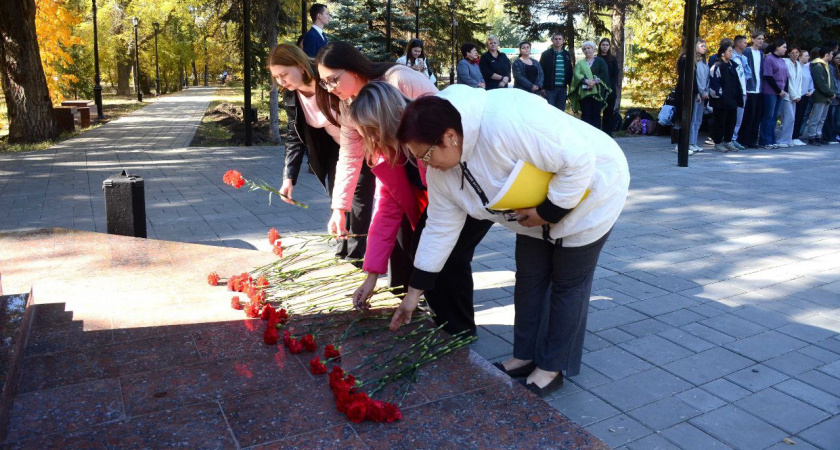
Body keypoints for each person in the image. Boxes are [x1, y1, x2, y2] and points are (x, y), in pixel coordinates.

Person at [391, 86, 630, 398]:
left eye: (425, 155)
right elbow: (439, 228)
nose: (425, 165)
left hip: (591, 190)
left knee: (568, 284)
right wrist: (413, 294)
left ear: (449, 136)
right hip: (531, 209)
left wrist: (547, 211)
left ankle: (552, 367)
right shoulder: (442, 171)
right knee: (529, 279)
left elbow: (579, 161)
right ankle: (525, 355)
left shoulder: (507, 119)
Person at [348, 82, 494, 336]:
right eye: (365, 133)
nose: (370, 139)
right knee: (424, 253)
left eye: (371, 130)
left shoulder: (425, 130)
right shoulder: (388, 150)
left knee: (451, 257)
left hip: (471, 194)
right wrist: (371, 275)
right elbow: (386, 211)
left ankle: (459, 330)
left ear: (387, 119)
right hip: (442, 204)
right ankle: (443, 324)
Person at [314, 41, 439, 294]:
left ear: (353, 69)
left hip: (436, 170)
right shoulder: (348, 104)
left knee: (436, 250)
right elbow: (350, 155)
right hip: (402, 172)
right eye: (324, 83)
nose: (330, 88)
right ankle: (411, 295)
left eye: (333, 79)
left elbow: (440, 123)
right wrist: (340, 208)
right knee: (403, 245)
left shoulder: (399, 80)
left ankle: (425, 297)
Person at [268, 44, 374, 263]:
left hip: (362, 143)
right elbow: (295, 136)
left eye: (284, 74)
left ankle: (356, 258)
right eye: (276, 77)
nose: (281, 82)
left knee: (358, 200)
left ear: (299, 65)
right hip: (335, 151)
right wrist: (289, 177)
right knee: (338, 199)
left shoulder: (327, 79)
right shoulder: (292, 97)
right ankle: (344, 249)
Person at [709, 42, 744, 152]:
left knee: (731, 121)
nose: (732, 53)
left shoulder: (732, 65)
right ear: (723, 53)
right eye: (729, 51)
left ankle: (728, 141)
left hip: (732, 99)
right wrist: (720, 95)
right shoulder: (717, 66)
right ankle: (718, 142)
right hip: (721, 100)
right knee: (720, 122)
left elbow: (737, 82)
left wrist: (738, 95)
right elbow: (714, 82)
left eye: (732, 51)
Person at [569, 41, 612, 129]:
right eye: (585, 49)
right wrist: (586, 81)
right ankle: (586, 136)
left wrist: (594, 81)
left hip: (598, 93)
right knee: (586, 115)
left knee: (596, 115)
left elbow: (604, 73)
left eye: (589, 48)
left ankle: (596, 137)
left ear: (593, 49)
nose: (587, 50)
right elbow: (576, 74)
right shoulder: (580, 63)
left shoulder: (600, 61)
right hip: (584, 94)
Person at [758, 39, 789, 149]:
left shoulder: (782, 60)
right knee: (768, 116)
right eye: (784, 47)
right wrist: (778, 90)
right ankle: (765, 140)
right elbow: (768, 76)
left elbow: (786, 76)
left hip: (780, 93)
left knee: (775, 117)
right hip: (770, 92)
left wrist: (784, 90)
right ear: (777, 47)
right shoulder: (769, 59)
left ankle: (772, 139)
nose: (786, 49)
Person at [738, 32, 765, 149]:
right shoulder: (747, 52)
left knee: (757, 116)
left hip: (759, 88)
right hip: (750, 88)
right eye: (758, 39)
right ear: (752, 39)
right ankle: (744, 139)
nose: (761, 41)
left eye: (762, 39)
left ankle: (753, 140)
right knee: (749, 115)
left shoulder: (761, 53)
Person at [805, 47, 835, 145]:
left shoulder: (826, 65)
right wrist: (831, 93)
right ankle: (812, 136)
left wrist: (832, 93)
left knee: (822, 118)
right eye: (831, 54)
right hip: (820, 96)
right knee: (816, 117)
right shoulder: (818, 66)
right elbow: (820, 83)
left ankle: (818, 135)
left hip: (827, 97)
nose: (832, 56)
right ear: (826, 54)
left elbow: (831, 82)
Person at [776, 46, 802, 147]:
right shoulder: (785, 63)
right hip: (787, 95)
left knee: (792, 118)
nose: (795, 55)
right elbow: (788, 81)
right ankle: (782, 139)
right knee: (788, 117)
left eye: (797, 53)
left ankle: (788, 138)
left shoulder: (798, 65)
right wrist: (794, 95)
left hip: (795, 95)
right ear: (789, 54)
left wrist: (798, 94)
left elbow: (799, 81)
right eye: (792, 52)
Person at [540, 32, 573, 111]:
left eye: (559, 39)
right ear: (552, 40)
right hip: (549, 89)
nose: (557, 41)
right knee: (549, 111)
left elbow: (569, 71)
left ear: (563, 41)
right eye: (556, 39)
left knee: (560, 112)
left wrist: (571, 86)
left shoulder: (566, 54)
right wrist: (542, 87)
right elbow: (541, 72)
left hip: (563, 89)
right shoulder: (546, 54)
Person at [731, 35, 752, 144]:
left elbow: (745, 76)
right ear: (738, 43)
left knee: (740, 118)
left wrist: (746, 90)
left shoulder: (743, 58)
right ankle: (729, 139)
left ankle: (734, 138)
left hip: (743, 91)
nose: (746, 44)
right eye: (744, 42)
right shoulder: (732, 58)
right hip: (735, 92)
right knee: (733, 117)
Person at [598, 38, 620, 136]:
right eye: (603, 45)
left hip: (610, 89)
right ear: (600, 46)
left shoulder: (613, 59)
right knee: (597, 110)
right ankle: (598, 131)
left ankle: (608, 132)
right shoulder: (596, 58)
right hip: (598, 89)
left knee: (609, 111)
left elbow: (615, 74)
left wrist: (609, 86)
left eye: (607, 45)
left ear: (609, 47)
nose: (605, 47)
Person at [793, 49, 813, 145]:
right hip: (797, 95)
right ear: (800, 57)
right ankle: (793, 136)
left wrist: (811, 90)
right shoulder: (796, 66)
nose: (808, 57)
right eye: (806, 56)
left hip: (805, 95)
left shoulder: (806, 67)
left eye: (808, 56)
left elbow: (810, 80)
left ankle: (796, 136)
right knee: (795, 116)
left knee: (801, 116)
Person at [824, 52, 840, 144]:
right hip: (834, 97)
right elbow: (833, 84)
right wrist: (837, 94)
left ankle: (835, 136)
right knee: (832, 118)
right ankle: (830, 137)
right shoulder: (831, 68)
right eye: (837, 58)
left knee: (838, 119)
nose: (839, 60)